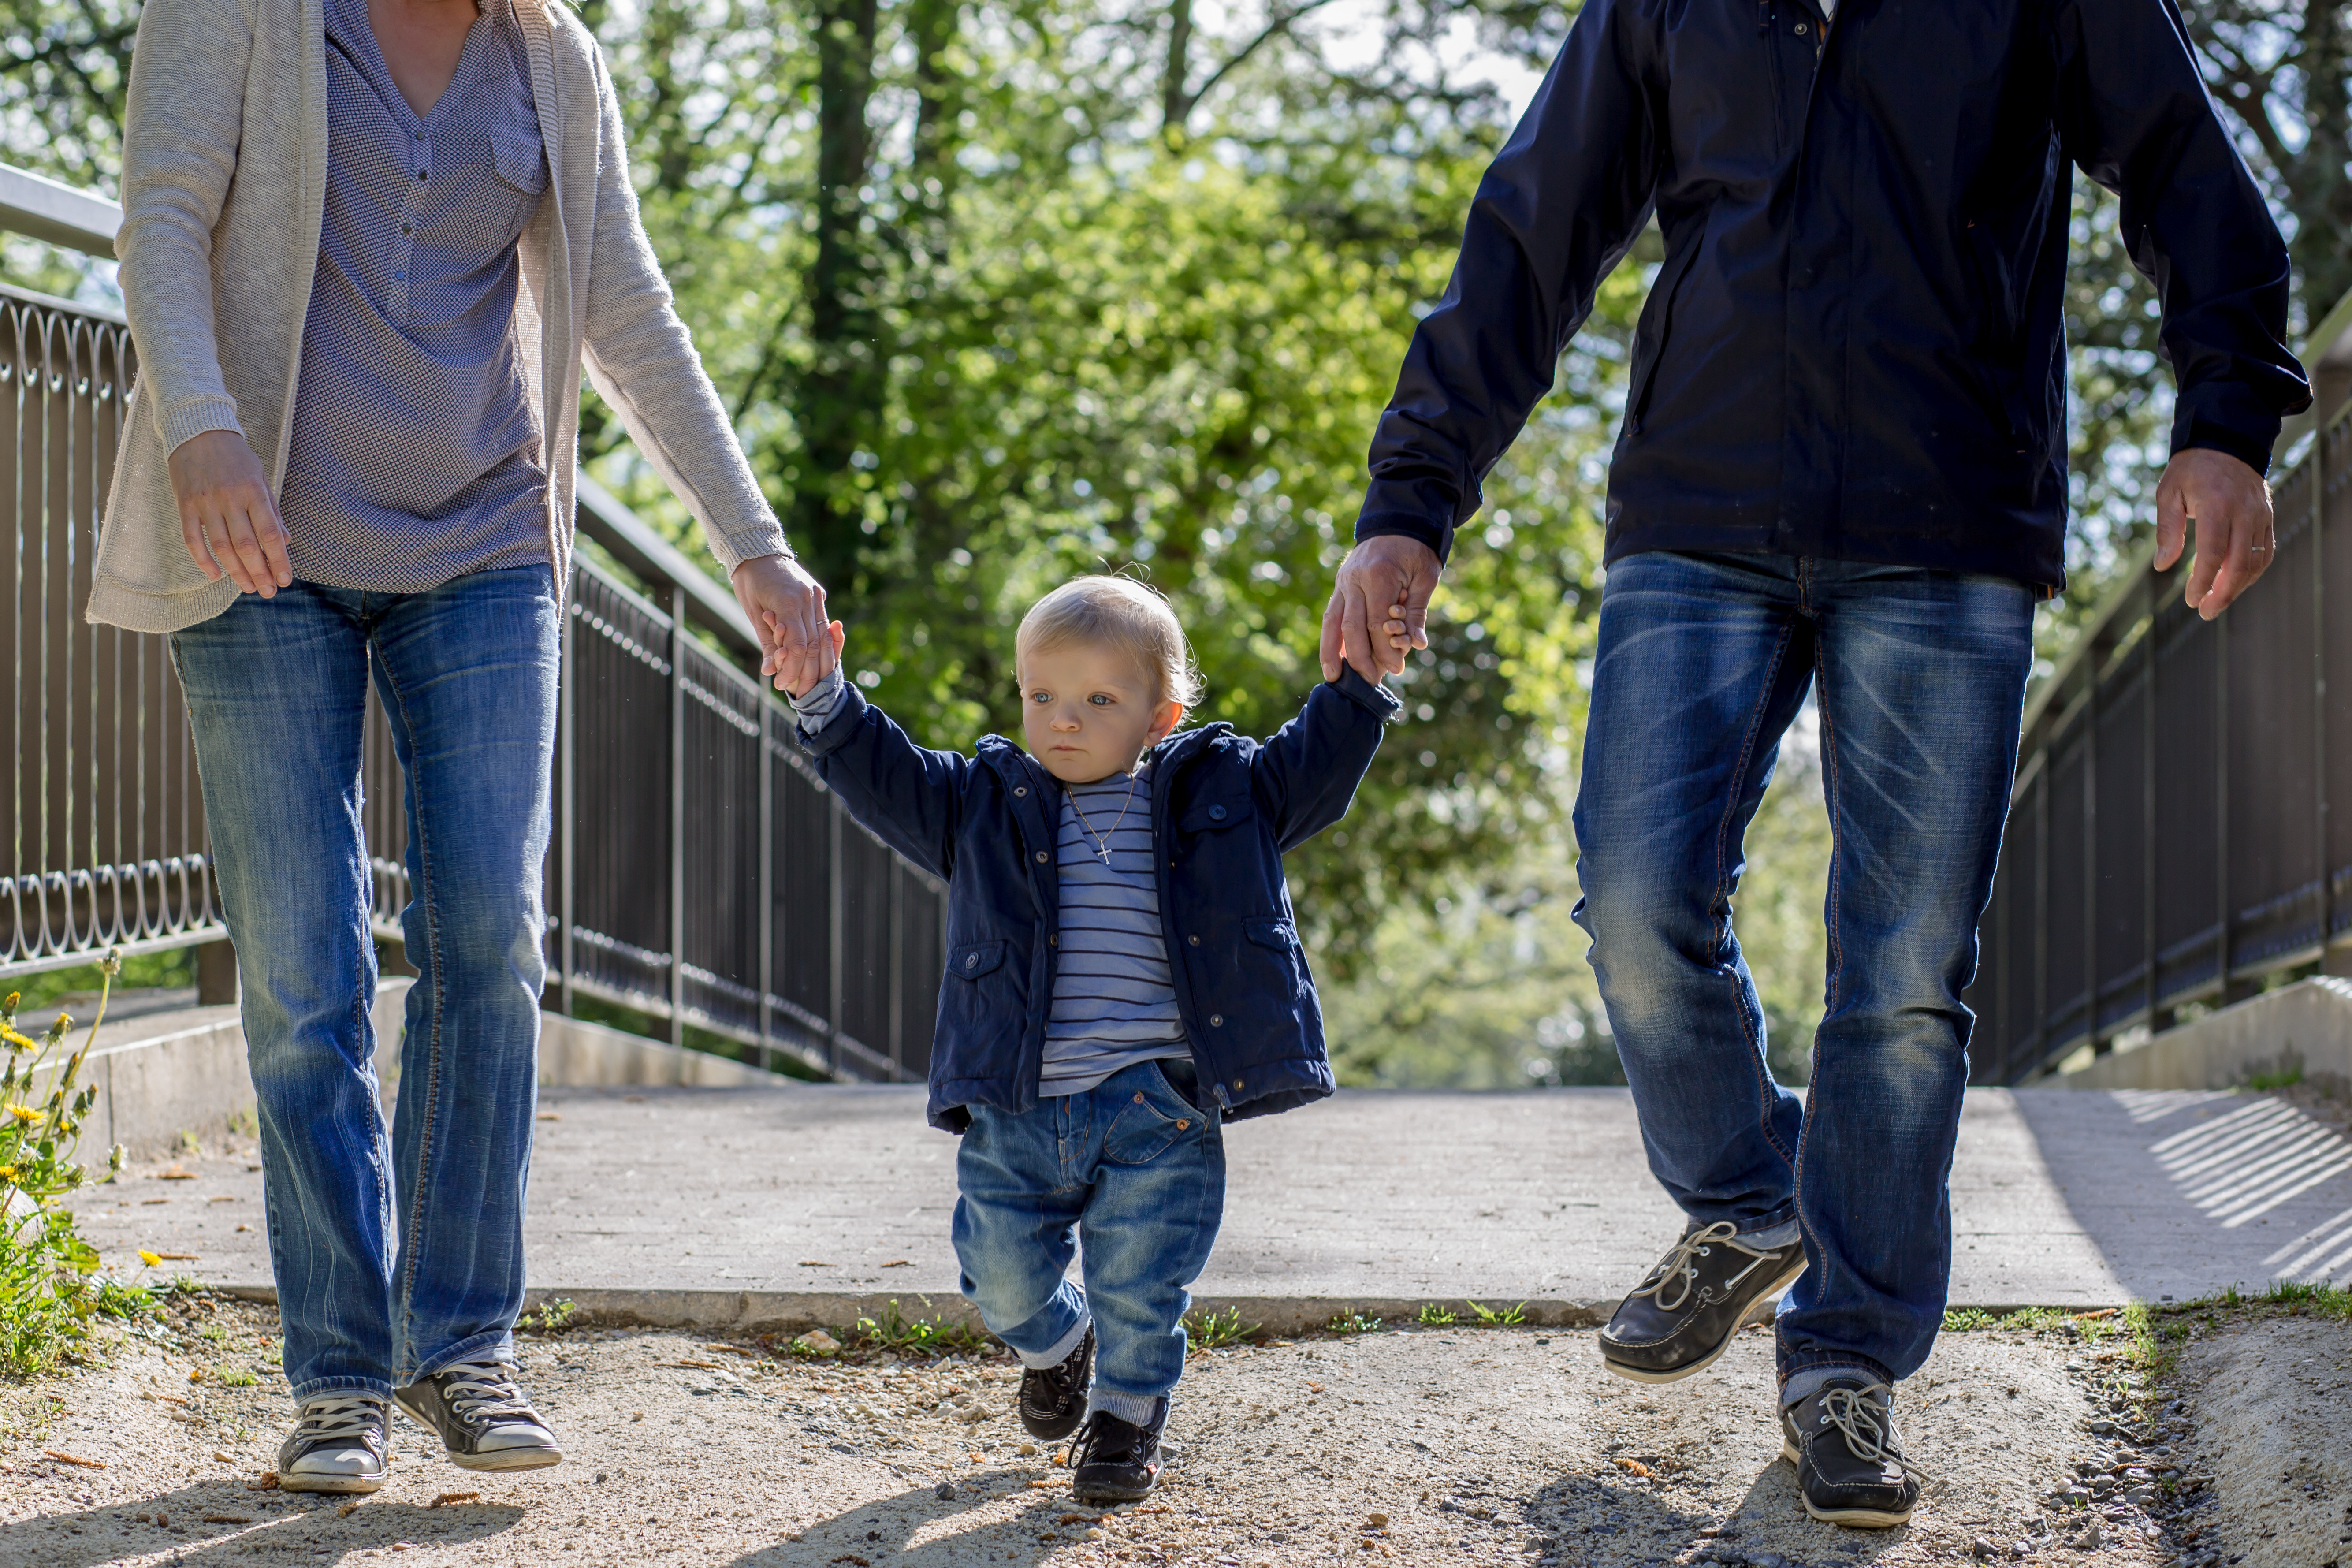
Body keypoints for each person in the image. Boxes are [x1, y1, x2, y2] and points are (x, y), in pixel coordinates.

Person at [1320, 0, 2308, 1529]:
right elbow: (1531, 229)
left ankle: (1843, 1359)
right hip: (1697, 505)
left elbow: (2188, 170)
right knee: (1633, 897)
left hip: (1948, 515)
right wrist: (1409, 498)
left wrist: (2223, 415)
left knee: (1902, 970)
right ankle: (1747, 1186)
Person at [87, 0, 837, 1494]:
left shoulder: (551, 60)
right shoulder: (240, 16)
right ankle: (341, 1376)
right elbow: (160, 221)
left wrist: (752, 542)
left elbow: (630, 313)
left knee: (489, 932)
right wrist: (202, 428)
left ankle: (463, 1341)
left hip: (488, 542)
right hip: (260, 545)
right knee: (307, 975)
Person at [783, 575, 1395, 1503]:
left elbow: (1317, 762)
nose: (1063, 720)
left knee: (1143, 1283)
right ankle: (1057, 1343)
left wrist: (1359, 685)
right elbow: (888, 775)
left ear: (1160, 716)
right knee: (998, 1275)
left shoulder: (1224, 795)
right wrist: (823, 698)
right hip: (1019, 1104)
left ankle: (1125, 1421)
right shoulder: (983, 803)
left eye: (1098, 700)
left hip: (1161, 1102)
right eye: (1043, 697)